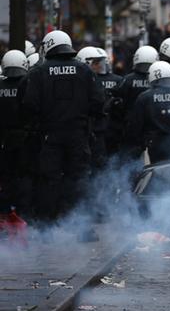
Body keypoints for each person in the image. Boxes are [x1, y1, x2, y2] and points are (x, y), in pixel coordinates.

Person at [22, 31, 104, 239]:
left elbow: (29, 105)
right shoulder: (84, 70)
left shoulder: (39, 72)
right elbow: (98, 102)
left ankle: (47, 229)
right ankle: (81, 228)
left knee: (49, 180)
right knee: (78, 180)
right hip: (78, 135)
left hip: (50, 136)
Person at [127, 61, 170, 164]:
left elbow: (136, 126)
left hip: (155, 146)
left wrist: (139, 145)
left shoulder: (144, 97)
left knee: (158, 176)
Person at [0, 50, 29, 214]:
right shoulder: (29, 84)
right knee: (24, 176)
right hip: (25, 138)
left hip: (4, 140)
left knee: (6, 178)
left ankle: (5, 214)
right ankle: (23, 214)